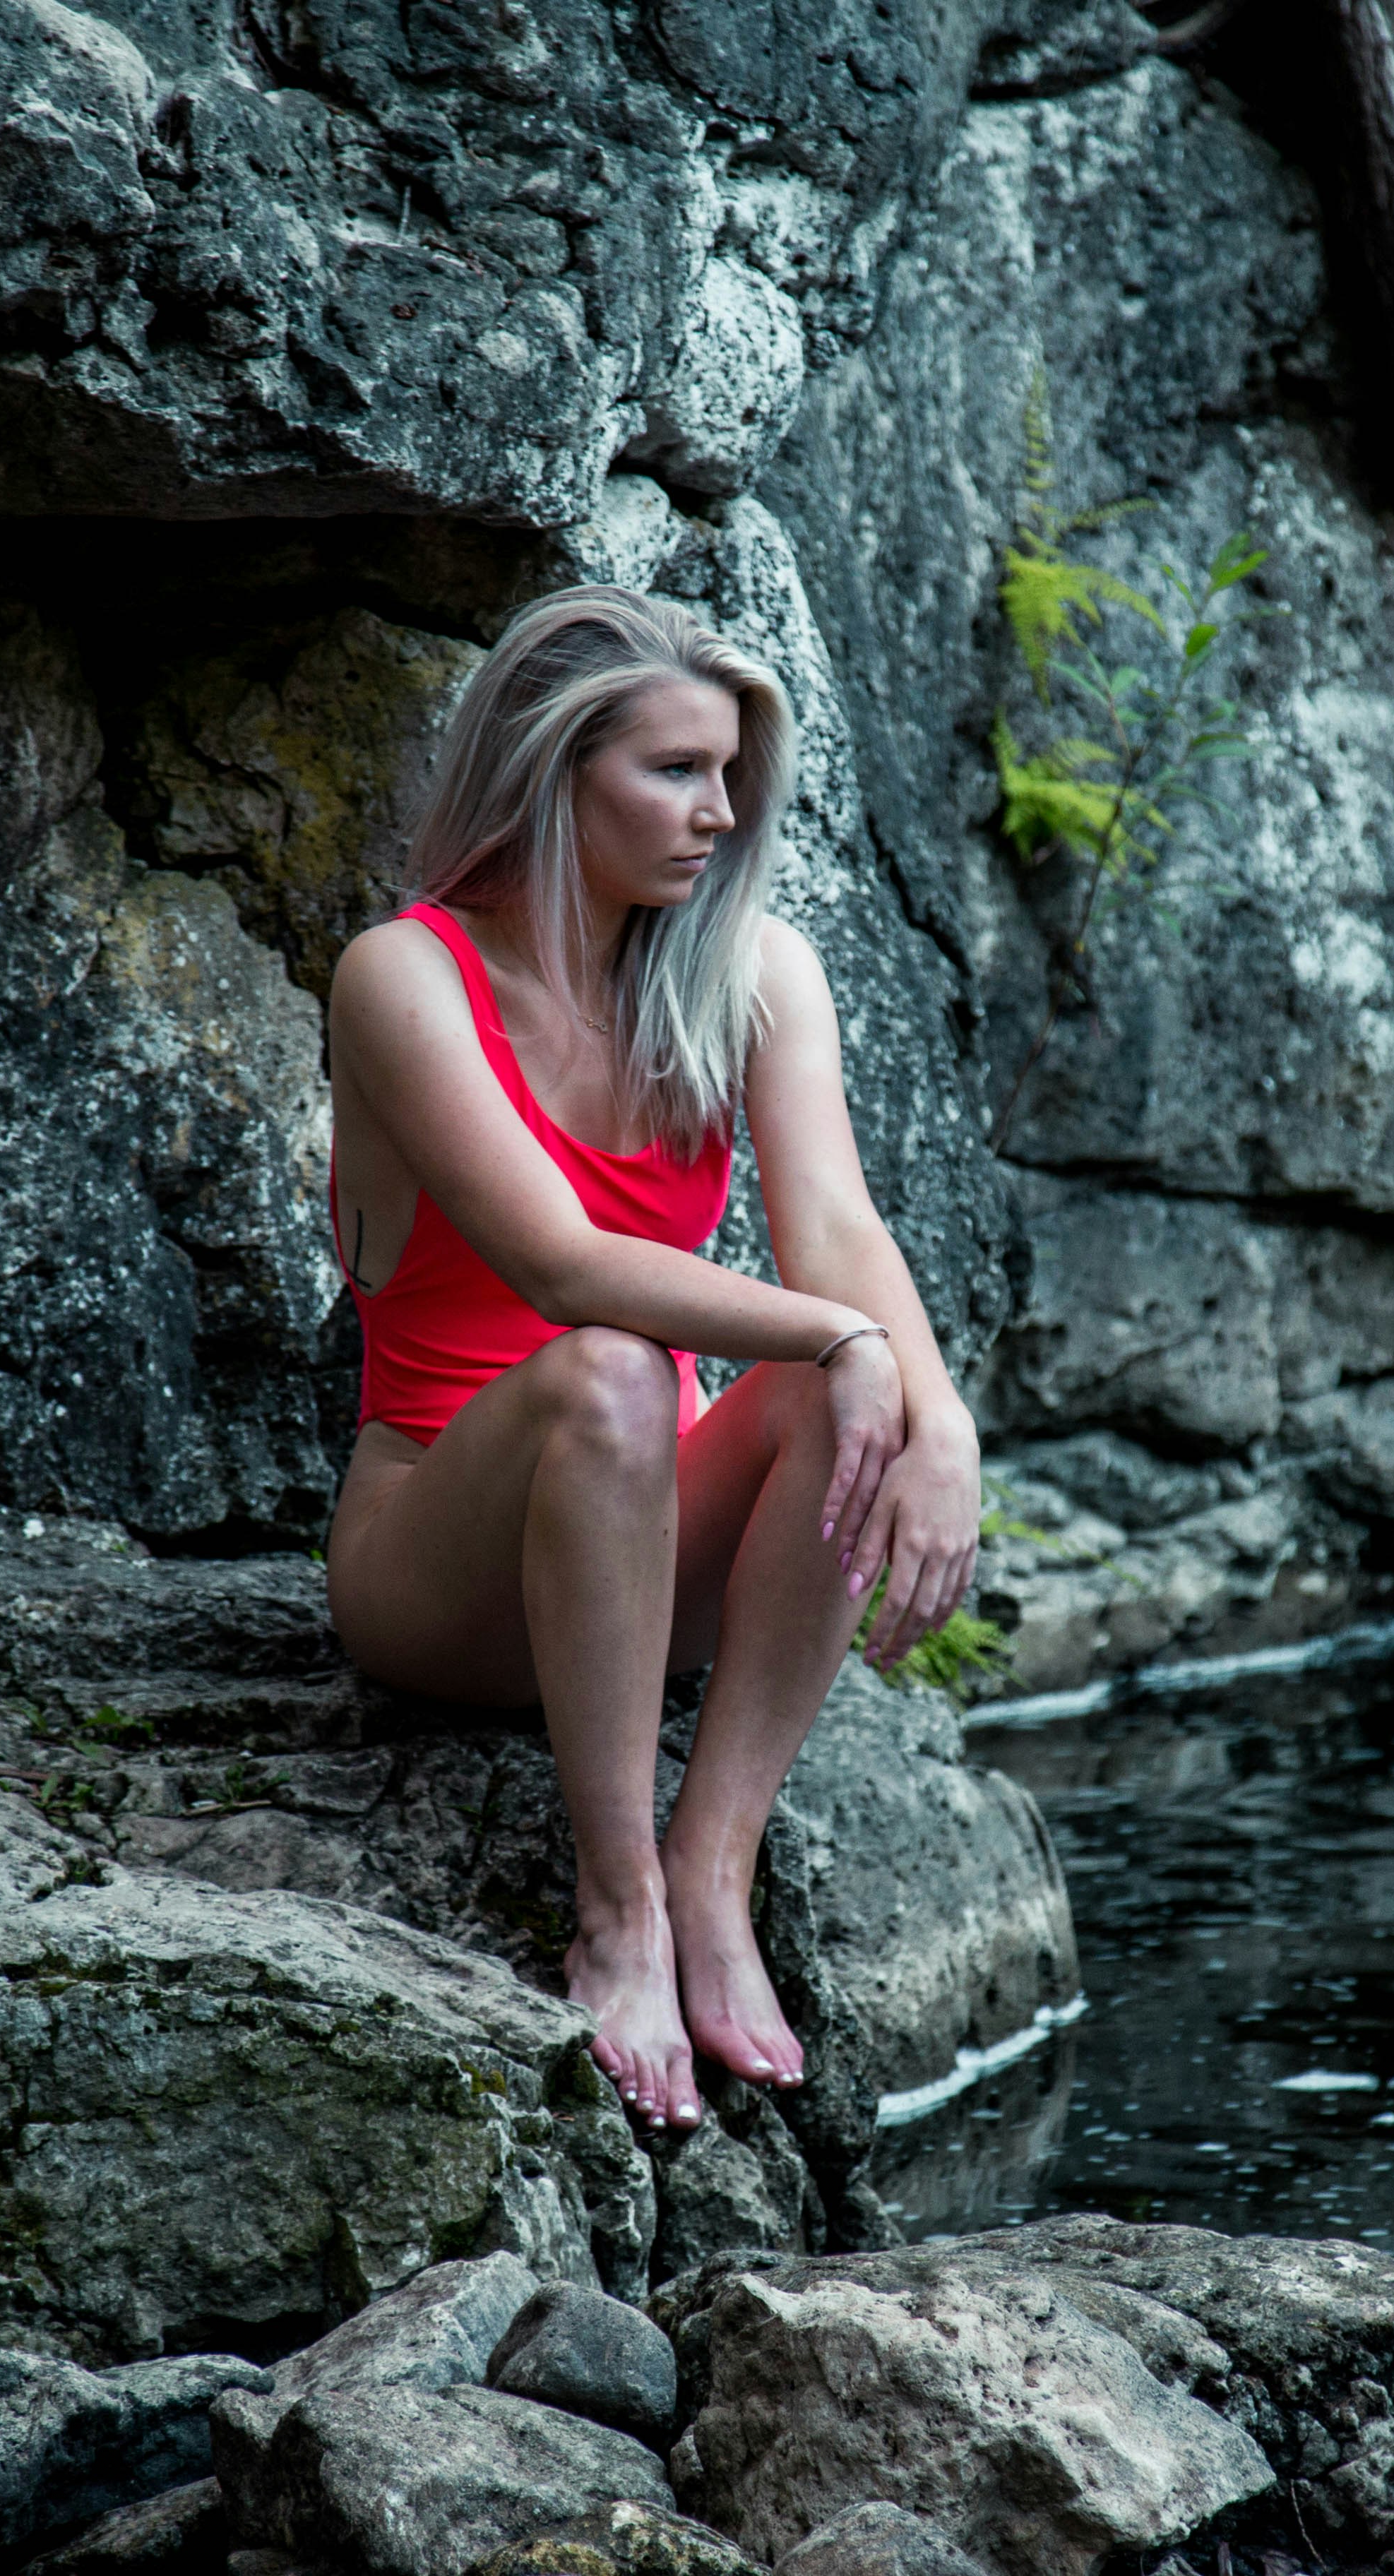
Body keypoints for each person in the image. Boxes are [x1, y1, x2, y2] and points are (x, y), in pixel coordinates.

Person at [321, 585, 982, 2133]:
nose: (720, 814)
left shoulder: (750, 973)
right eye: (677, 770)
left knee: (846, 1387)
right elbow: (556, 1267)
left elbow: (837, 1226)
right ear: (554, 773)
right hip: (441, 1566)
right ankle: (617, 1914)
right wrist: (842, 1335)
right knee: (621, 1364)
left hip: (648, 1564)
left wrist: (934, 1416)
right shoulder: (403, 976)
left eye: (731, 774)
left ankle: (711, 1870)